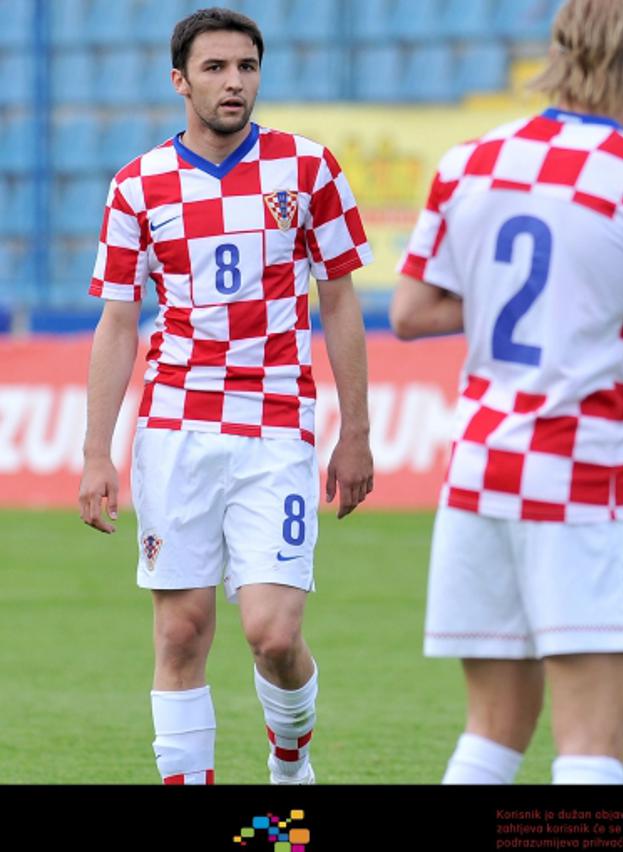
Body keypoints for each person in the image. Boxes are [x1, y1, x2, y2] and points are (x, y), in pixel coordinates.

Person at [390, 0, 623, 785]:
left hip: (479, 471)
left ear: (555, 53)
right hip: (575, 475)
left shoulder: (468, 163)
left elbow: (410, 312)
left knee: (490, 733)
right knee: (591, 742)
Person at [77, 7, 374, 785]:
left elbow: (339, 301)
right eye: (215, 68)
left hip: (276, 427)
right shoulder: (139, 184)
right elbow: (118, 323)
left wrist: (357, 432)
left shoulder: (309, 170)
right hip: (174, 428)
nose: (233, 82)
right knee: (181, 632)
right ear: (180, 81)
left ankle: (289, 765)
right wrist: (95, 453)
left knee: (273, 634)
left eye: (246, 66)